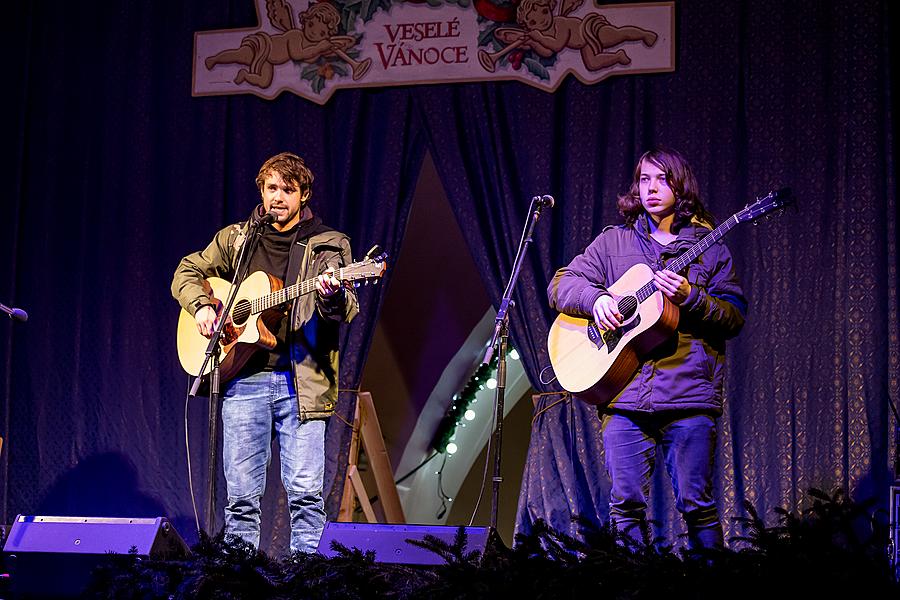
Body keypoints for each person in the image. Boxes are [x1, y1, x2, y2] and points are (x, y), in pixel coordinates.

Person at [548, 147, 746, 549]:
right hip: (623, 397)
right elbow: (561, 284)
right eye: (644, 180)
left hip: (688, 396)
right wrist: (596, 301)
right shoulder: (612, 243)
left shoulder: (710, 249)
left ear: (681, 185)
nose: (651, 188)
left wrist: (692, 296)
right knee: (625, 508)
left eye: (662, 179)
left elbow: (734, 316)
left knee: (697, 506)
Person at [171, 152, 358, 554]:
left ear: (303, 195)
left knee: (307, 498)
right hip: (242, 380)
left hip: (301, 383)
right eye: (271, 188)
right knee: (240, 499)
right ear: (261, 190)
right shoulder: (237, 237)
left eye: (288, 190)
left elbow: (342, 311)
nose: (278, 197)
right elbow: (187, 271)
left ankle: (309, 581)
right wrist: (203, 306)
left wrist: (333, 292)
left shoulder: (328, 244)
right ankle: (238, 582)